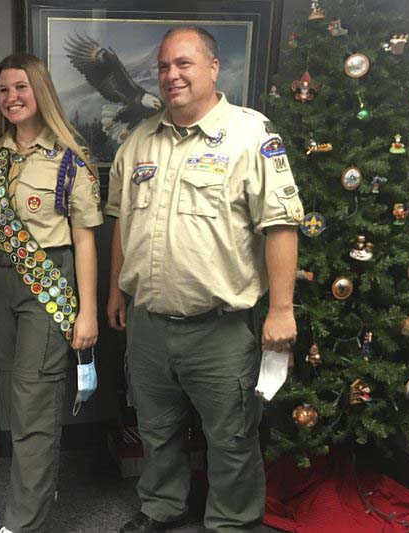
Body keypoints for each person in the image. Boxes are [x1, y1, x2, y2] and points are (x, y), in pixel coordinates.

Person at [106, 27, 303, 533]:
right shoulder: (138, 142)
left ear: (214, 68)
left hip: (219, 329)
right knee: (156, 428)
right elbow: (122, 224)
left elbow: (280, 223)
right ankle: (161, 506)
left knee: (232, 437)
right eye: (165, 66)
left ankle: (233, 523)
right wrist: (115, 290)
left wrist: (281, 309)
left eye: (185, 64)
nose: (172, 75)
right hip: (149, 323)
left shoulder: (251, 135)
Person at [0, 52, 103, 533]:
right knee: (17, 396)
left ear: (39, 91)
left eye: (21, 87)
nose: (11, 98)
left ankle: (24, 522)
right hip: (0, 286)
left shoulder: (70, 158)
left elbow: (85, 239)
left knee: (35, 401)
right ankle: (41, 487)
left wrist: (87, 313)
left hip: (47, 282)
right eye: (3, 89)